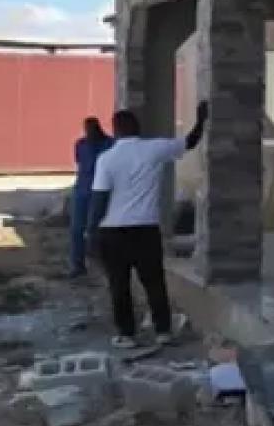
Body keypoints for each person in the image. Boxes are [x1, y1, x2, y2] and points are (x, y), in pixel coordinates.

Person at [88, 102, 207, 348]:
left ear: (115, 130)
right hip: (146, 230)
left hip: (113, 232)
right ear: (138, 128)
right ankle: (163, 331)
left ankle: (127, 335)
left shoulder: (106, 159)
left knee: (119, 285)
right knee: (154, 282)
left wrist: (90, 232)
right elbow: (190, 142)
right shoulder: (154, 149)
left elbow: (99, 199)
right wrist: (201, 120)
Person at [67, 117, 113, 277]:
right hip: (83, 189)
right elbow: (79, 163)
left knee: (101, 229)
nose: (89, 132)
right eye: (87, 129)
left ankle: (103, 263)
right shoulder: (81, 144)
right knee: (77, 229)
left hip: (101, 190)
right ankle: (77, 265)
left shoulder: (110, 144)